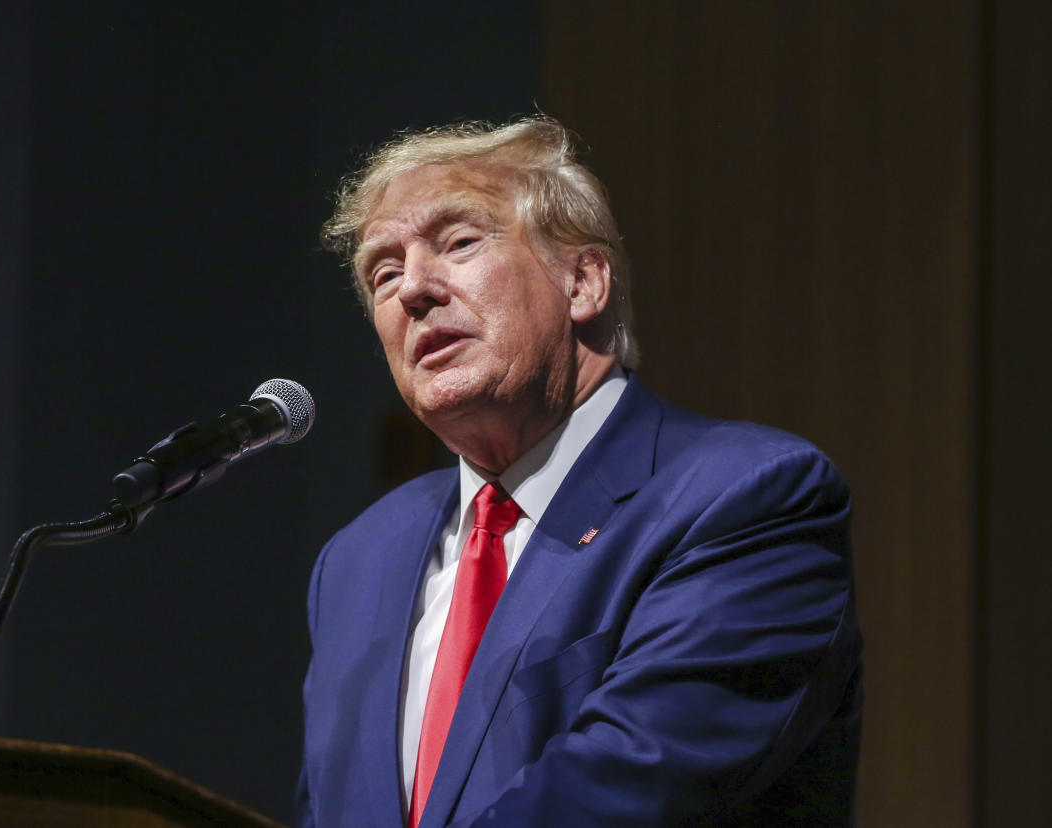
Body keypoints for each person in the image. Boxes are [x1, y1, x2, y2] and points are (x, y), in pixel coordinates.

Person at [297, 116, 861, 827]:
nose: (412, 288)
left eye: (460, 242)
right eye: (384, 272)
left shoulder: (748, 498)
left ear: (584, 281)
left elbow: (631, 790)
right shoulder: (357, 561)